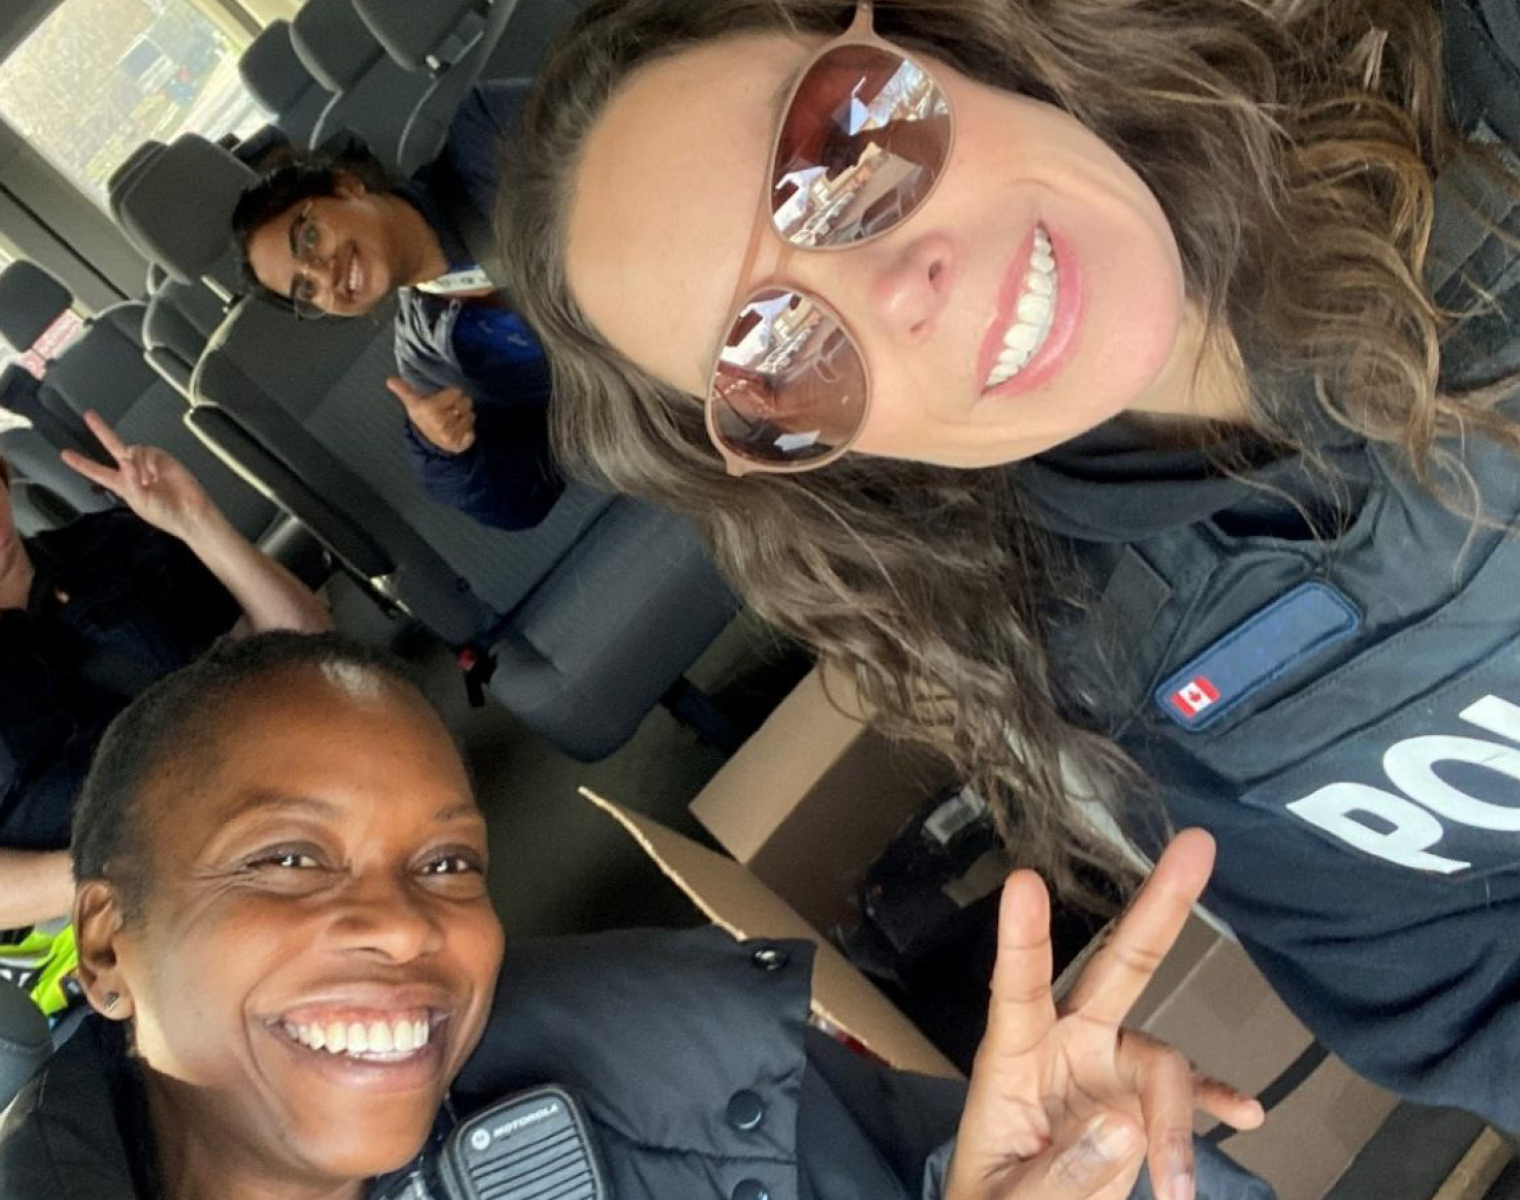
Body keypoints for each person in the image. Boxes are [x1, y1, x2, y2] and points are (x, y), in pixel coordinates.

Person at [495, 0, 1520, 1129]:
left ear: (949, 37)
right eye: (775, 352)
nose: (893, 288)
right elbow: (1468, 999)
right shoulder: (1107, 671)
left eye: (845, 148)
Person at [0, 631, 1271, 1200]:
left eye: (447, 866)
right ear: (108, 948)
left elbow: (949, 1154)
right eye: (284, 859)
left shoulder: (652, 1041)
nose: (402, 927)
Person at [0, 400, 332, 934]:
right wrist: (142, 870)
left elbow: (308, 646)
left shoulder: (119, 542)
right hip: (157, 917)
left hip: (300, 800)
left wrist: (198, 523)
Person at [232, 82, 564, 532]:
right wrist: (447, 453)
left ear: (347, 186)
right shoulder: (428, 360)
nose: (323, 274)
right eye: (305, 290)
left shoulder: (489, 136)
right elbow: (525, 502)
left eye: (309, 238)